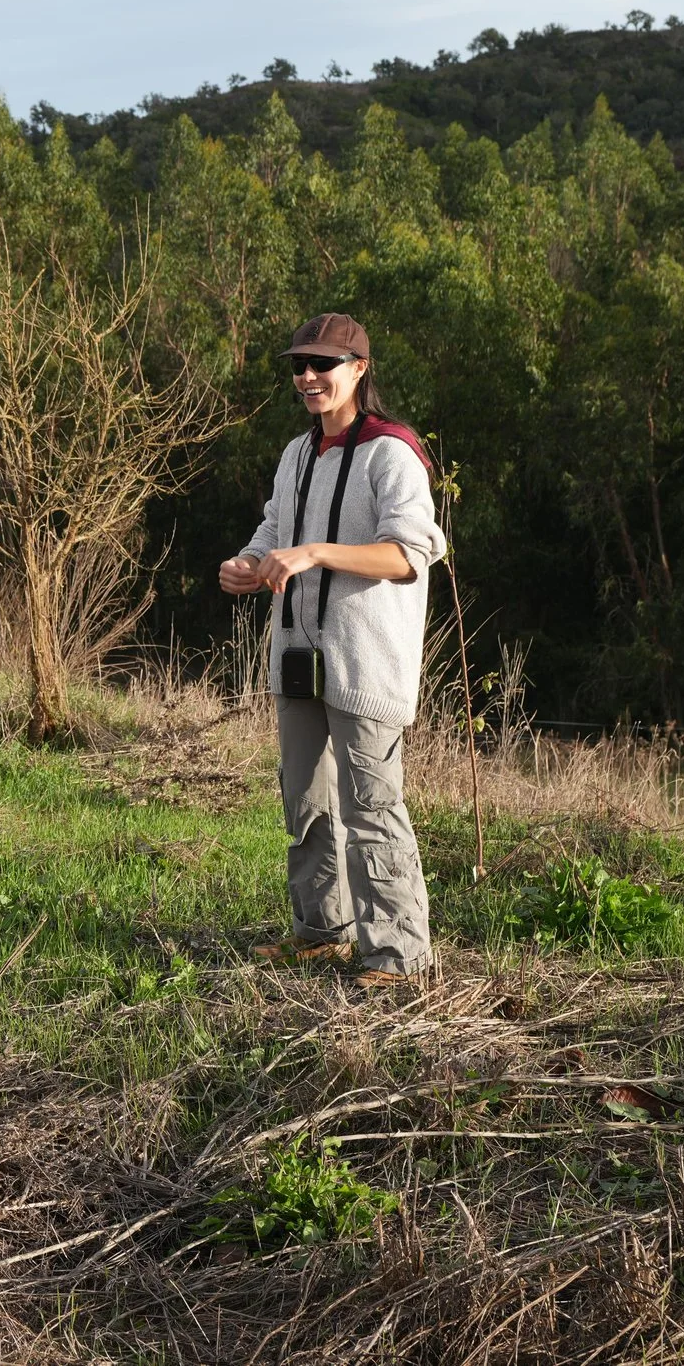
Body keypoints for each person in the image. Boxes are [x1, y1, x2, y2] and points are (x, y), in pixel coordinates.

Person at [219, 313, 450, 989]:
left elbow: (410, 553)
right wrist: (249, 561)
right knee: (307, 802)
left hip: (365, 662)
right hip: (295, 655)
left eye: (324, 364)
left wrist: (318, 552)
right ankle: (321, 934)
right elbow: (275, 527)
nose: (309, 377)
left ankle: (400, 957)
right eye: (299, 366)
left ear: (358, 369)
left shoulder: (392, 451)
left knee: (372, 807)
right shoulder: (296, 454)